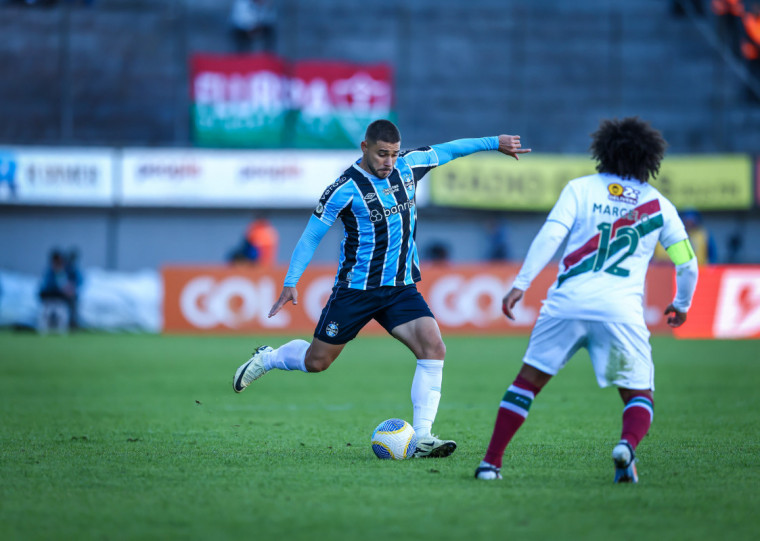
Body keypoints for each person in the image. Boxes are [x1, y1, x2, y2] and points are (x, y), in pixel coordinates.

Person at [232, 119, 531, 458]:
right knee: (317, 362)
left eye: (392, 154)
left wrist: (495, 142)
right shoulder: (343, 188)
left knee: (433, 347)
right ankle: (269, 358)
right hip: (356, 291)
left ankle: (422, 438)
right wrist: (290, 281)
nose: (388, 161)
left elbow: (449, 149)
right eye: (381, 154)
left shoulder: (408, 165)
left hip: (400, 288)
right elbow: (312, 234)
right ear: (365, 148)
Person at [474, 117, 699, 482]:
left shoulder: (580, 189)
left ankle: (490, 464)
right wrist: (682, 304)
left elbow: (551, 236)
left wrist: (522, 283)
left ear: (603, 151)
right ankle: (626, 446)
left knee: (526, 383)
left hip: (567, 304)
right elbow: (687, 264)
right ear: (651, 159)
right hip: (620, 312)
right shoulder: (659, 205)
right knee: (638, 393)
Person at [38, 248, 81, 332]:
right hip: (50, 295)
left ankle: (72, 324)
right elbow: (45, 286)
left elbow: (78, 281)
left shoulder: (68, 270)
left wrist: (71, 288)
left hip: (63, 297)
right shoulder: (49, 272)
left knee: (73, 300)